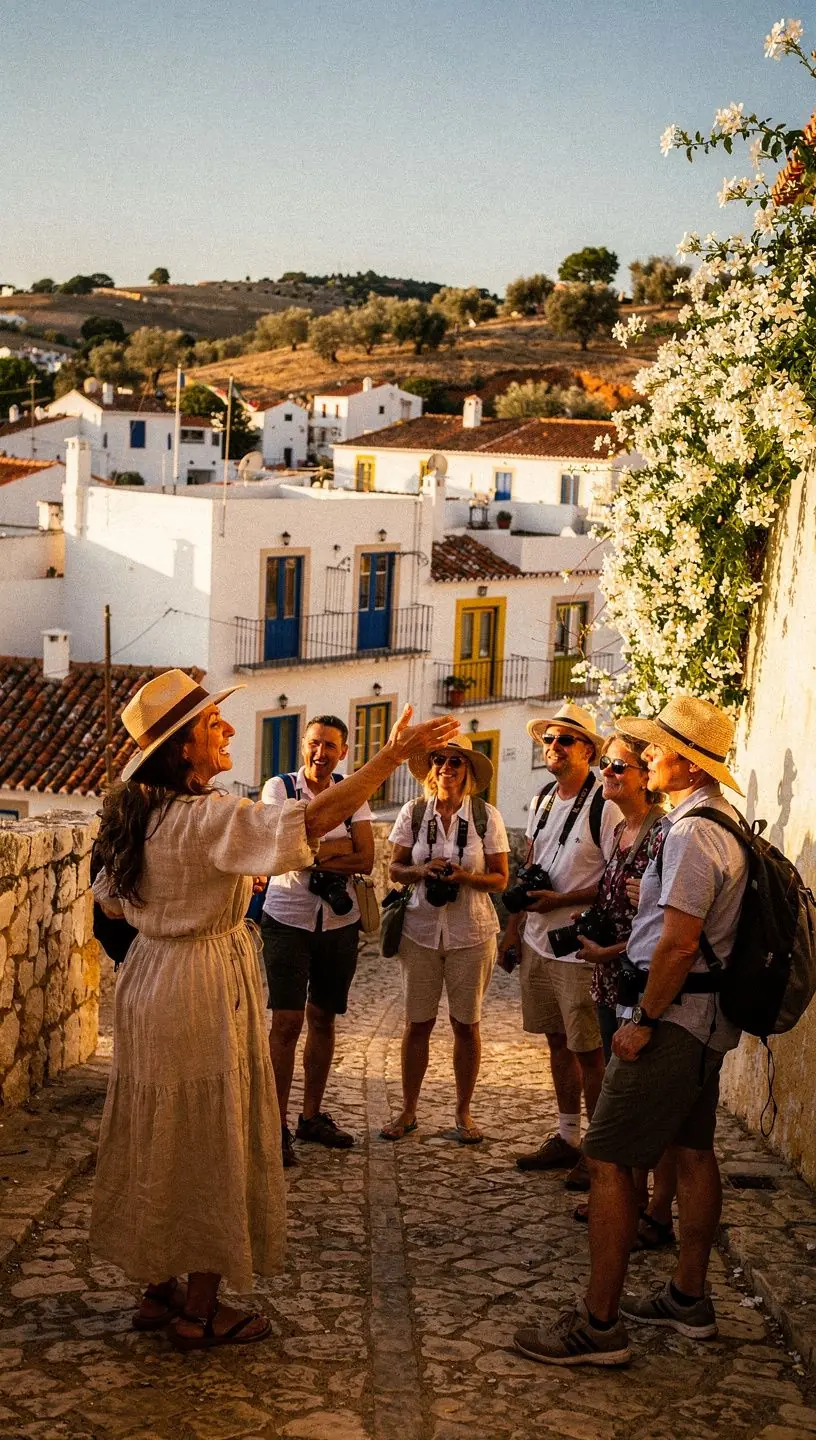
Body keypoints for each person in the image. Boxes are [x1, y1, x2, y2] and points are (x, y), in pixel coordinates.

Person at [91, 668, 458, 1350]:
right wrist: (392, 757)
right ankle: (201, 1310)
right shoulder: (205, 818)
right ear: (181, 749)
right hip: (200, 979)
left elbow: (111, 904)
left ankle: (155, 1286)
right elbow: (312, 819)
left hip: (147, 977)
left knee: (158, 1124)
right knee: (210, 1133)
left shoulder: (133, 815)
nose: (227, 728)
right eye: (211, 726)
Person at [514, 694, 748, 1367]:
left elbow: (677, 943)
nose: (646, 756)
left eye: (657, 747)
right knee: (695, 1151)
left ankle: (599, 1325)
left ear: (690, 763)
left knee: (612, 1160)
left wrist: (642, 1021)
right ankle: (687, 1298)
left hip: (672, 1018)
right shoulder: (721, 821)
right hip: (706, 1019)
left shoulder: (690, 834)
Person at [501, 703, 621, 1188]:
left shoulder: (605, 806)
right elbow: (530, 864)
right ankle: (567, 1135)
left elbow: (614, 882)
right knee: (556, 1041)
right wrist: (512, 932)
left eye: (564, 740)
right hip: (537, 941)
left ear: (588, 750)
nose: (553, 748)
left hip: (578, 947)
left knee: (589, 1050)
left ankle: (598, 1154)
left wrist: (562, 898)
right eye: (548, 740)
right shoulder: (544, 799)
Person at [381, 738, 509, 1143]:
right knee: (417, 1023)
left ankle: (463, 1112)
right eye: (439, 760)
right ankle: (408, 1110)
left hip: (470, 933)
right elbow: (395, 869)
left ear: (467, 770)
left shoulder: (486, 817)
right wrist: (422, 871)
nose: (446, 767)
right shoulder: (414, 813)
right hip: (419, 931)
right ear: (431, 768)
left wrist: (465, 878)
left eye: (455, 761)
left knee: (466, 1024)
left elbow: (501, 879)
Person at [573, 732, 674, 1243]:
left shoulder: (663, 834)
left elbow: (664, 927)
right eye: (606, 766)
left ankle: (652, 1211)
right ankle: (626, 1202)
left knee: (642, 1101)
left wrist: (606, 951)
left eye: (618, 766)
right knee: (621, 1087)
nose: (607, 774)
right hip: (611, 977)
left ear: (643, 778)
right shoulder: (620, 832)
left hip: (639, 981)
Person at [261, 715, 375, 1167]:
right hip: (287, 917)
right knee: (286, 1023)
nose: (320, 753)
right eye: (313, 744)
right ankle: (275, 1127)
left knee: (324, 1019)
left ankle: (310, 1117)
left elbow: (366, 857)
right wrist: (337, 848)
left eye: (330, 746)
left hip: (338, 923)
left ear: (343, 752)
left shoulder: (353, 793)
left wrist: (311, 853)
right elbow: (280, 847)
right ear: (302, 746)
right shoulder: (278, 789)